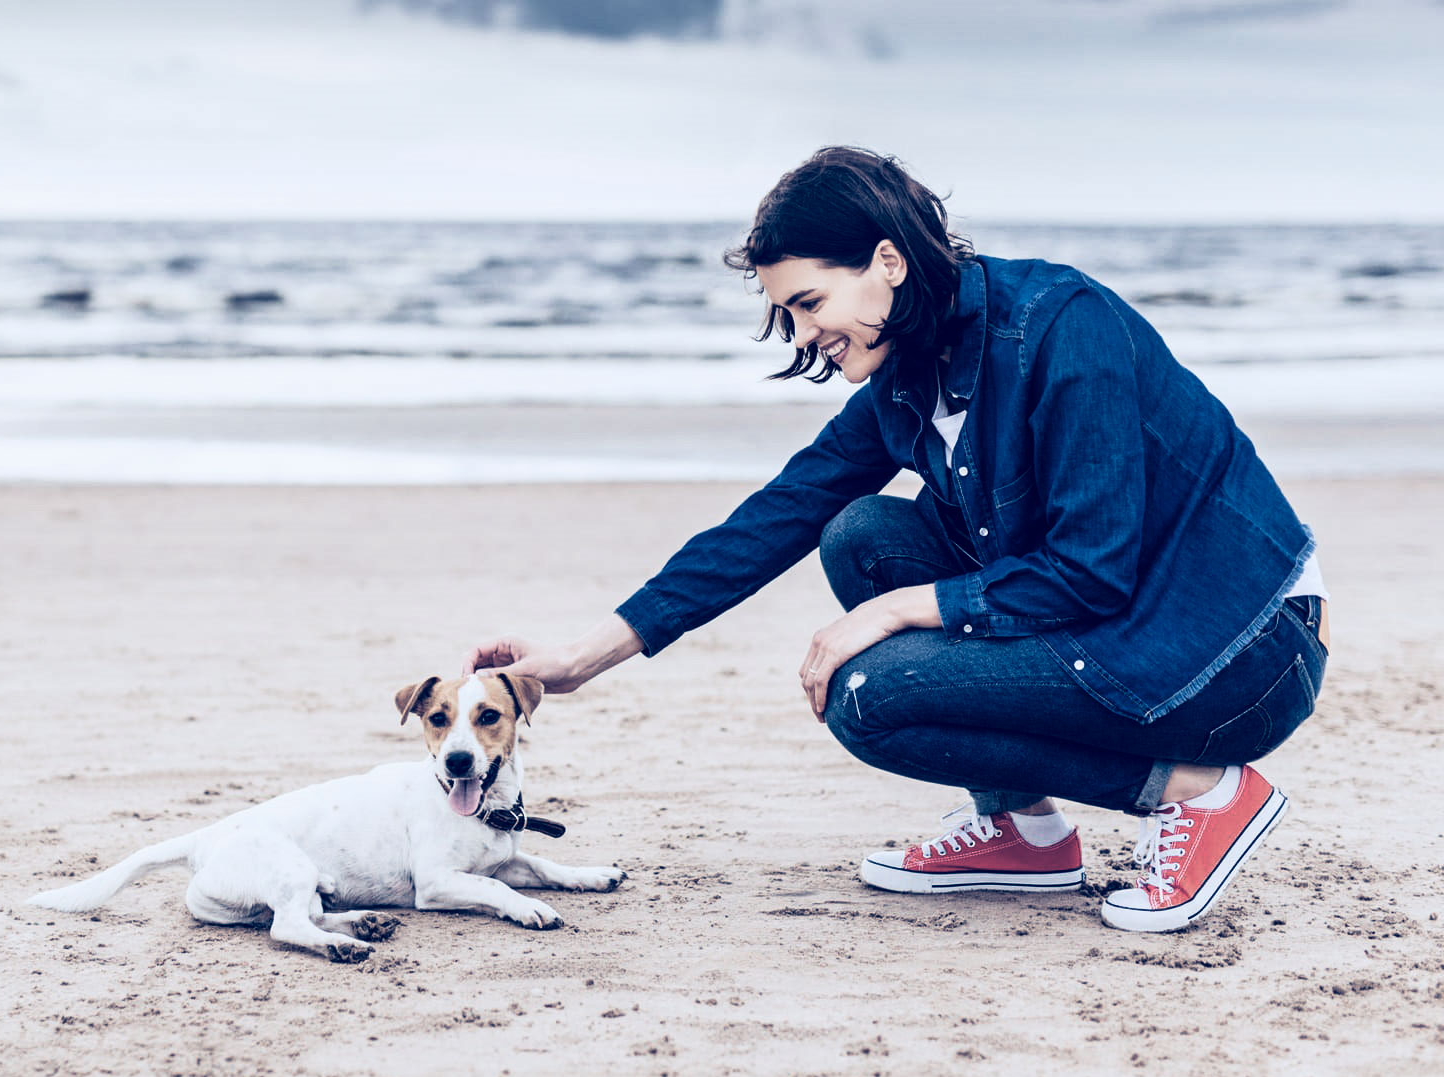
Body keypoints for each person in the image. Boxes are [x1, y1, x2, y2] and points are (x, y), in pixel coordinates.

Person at [462, 146, 1329, 934]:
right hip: (1129, 622)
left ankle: (1199, 794)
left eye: (809, 303)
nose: (803, 335)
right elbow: (776, 516)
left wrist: (891, 613)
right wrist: (583, 656)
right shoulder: (909, 380)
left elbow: (1089, 574)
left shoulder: (1065, 328)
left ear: (887, 260)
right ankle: (1026, 832)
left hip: (1239, 650)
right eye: (787, 314)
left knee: (872, 694)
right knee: (862, 532)